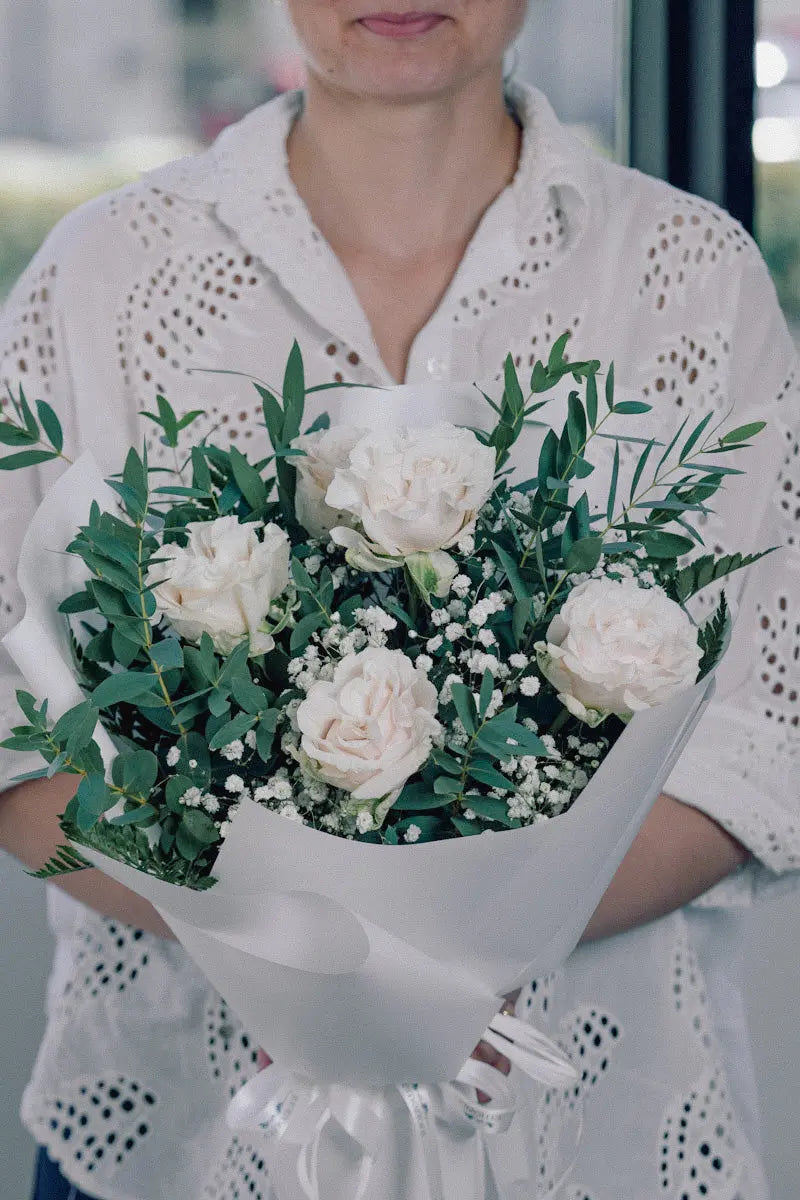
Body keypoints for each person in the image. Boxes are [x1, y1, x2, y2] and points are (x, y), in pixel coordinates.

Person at [0, 2, 797, 1197]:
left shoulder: (689, 277)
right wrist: (306, 975)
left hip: (594, 1138)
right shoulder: (105, 271)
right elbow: (17, 738)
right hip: (175, 1139)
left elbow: (764, 727)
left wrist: (459, 965)